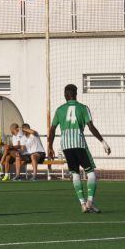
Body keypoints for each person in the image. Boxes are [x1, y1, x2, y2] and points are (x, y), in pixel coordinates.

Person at [47, 84, 111, 213]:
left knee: (75, 173)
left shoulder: (60, 110)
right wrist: (103, 141)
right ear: (76, 94)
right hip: (79, 144)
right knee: (91, 173)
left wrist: (50, 146)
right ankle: (90, 202)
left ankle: (82, 204)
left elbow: (52, 129)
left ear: (65, 95)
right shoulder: (83, 108)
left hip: (66, 146)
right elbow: (91, 127)